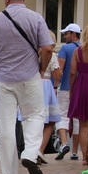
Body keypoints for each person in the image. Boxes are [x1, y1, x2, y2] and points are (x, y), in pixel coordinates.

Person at [0, 0, 54, 174]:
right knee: (34, 117)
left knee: (6, 125)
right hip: (30, 77)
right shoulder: (35, 18)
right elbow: (47, 48)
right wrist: (42, 68)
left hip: (4, 79)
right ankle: (30, 154)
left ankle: (8, 173)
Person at [66, 23, 88, 172]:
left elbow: (72, 73)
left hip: (82, 86)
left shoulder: (78, 51)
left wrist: (72, 90)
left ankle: (84, 158)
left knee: (84, 124)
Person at [55, 23, 82, 161]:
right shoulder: (85, 49)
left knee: (62, 116)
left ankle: (64, 144)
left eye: (66, 33)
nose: (64, 36)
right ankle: (75, 152)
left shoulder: (65, 48)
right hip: (81, 89)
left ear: (73, 34)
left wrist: (55, 85)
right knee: (77, 120)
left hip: (66, 87)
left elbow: (60, 69)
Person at [37, 30, 62, 164]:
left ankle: (32, 149)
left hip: (32, 85)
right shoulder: (51, 55)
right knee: (50, 120)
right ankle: (40, 149)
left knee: (33, 119)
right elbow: (57, 75)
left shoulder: (32, 53)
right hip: (46, 86)